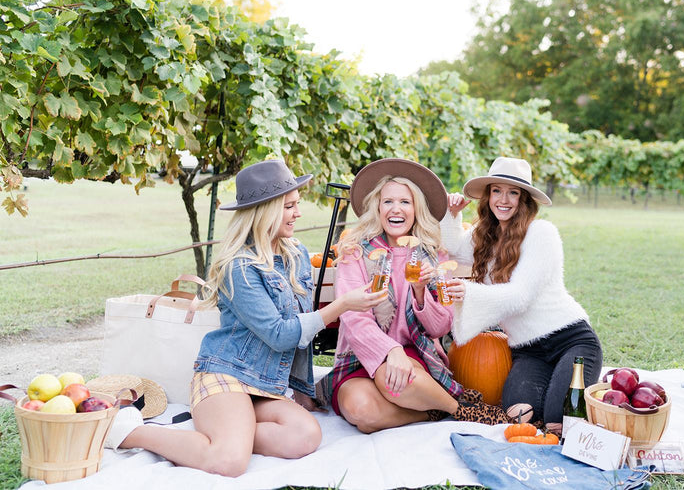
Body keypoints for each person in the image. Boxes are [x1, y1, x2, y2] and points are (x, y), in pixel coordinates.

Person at [103, 159, 387, 476]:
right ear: (264, 211)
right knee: (229, 462)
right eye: (289, 206)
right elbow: (281, 334)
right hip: (228, 375)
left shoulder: (297, 254)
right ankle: (130, 432)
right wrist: (343, 304)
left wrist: (301, 390)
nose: (299, 213)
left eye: (297, 204)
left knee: (305, 435)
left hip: (266, 386)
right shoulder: (239, 267)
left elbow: (304, 325)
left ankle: (228, 431)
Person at [328, 158, 509, 433]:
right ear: (377, 207)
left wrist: (421, 291)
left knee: (392, 378)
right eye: (388, 201)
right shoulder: (355, 252)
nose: (396, 209)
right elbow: (354, 320)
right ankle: (433, 411)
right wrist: (391, 350)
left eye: (405, 202)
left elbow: (441, 326)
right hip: (360, 353)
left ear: (416, 210)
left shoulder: (433, 255)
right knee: (361, 413)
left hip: (414, 354)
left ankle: (461, 410)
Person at [444, 157, 603, 433]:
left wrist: (468, 292)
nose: (503, 200)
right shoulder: (485, 237)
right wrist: (452, 213)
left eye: (513, 192)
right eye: (497, 191)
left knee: (557, 421)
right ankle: (561, 385)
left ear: (525, 199)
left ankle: (581, 387)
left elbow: (520, 296)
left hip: (571, 341)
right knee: (519, 415)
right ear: (488, 196)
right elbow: (453, 247)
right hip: (528, 352)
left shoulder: (542, 233)